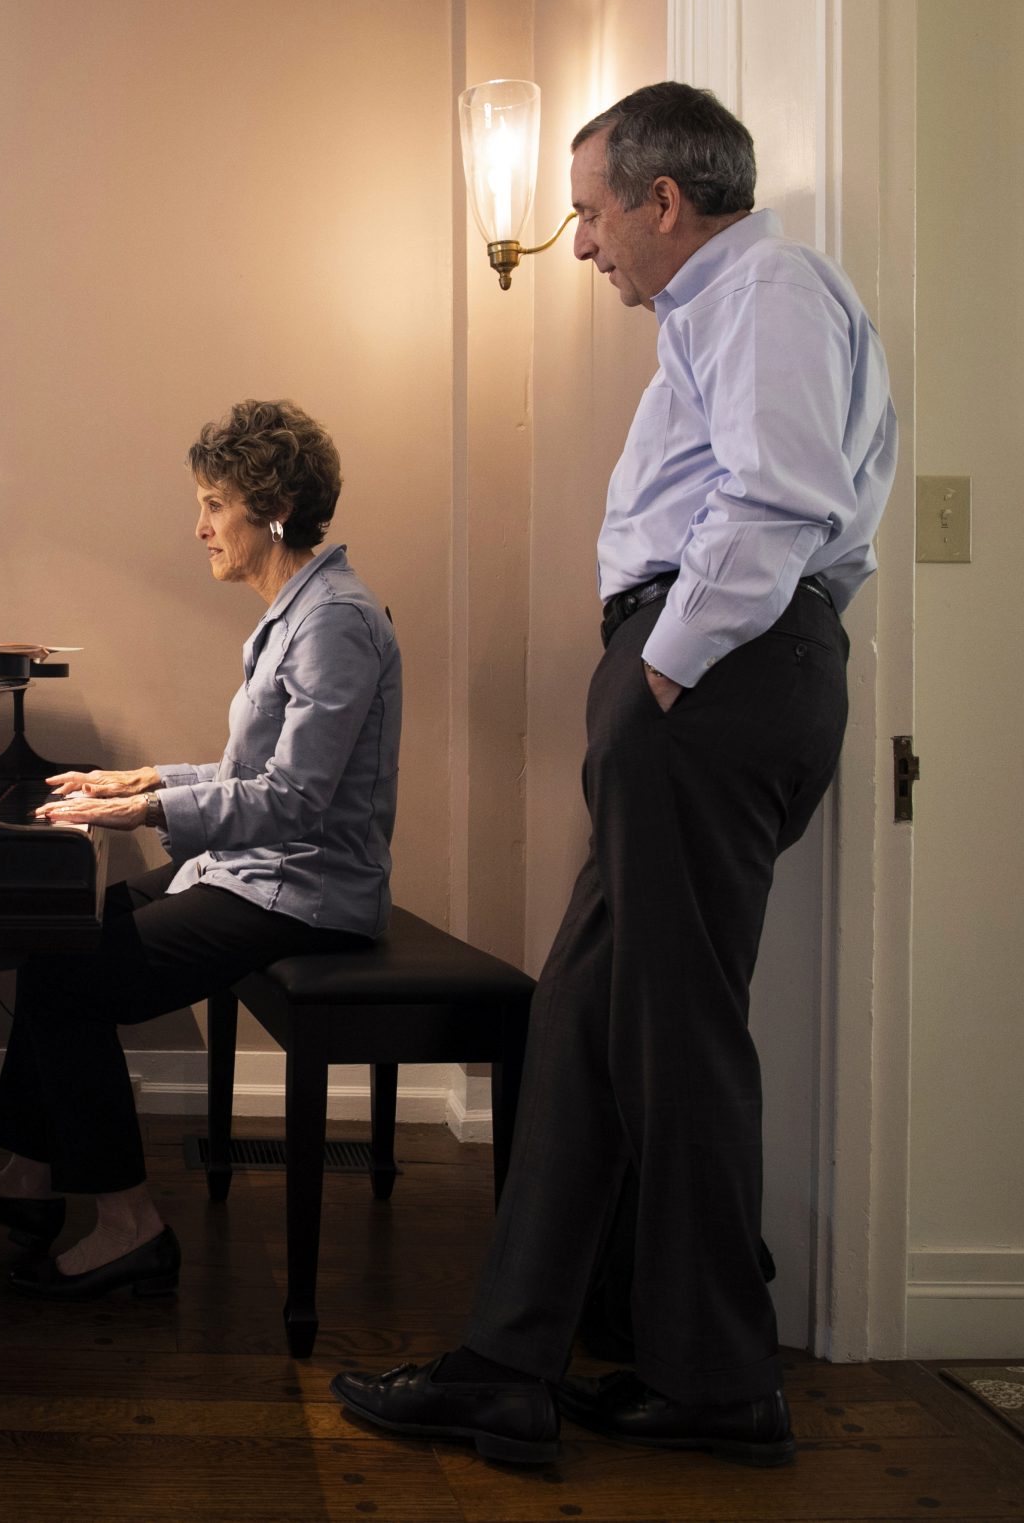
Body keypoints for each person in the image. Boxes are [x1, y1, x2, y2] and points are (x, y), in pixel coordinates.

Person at [332, 82, 898, 1467]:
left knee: (673, 1034)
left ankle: (717, 1374)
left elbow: (780, 496)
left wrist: (661, 664)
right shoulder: (724, 307)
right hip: (708, 679)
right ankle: (508, 1362)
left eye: (591, 211)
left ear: (664, 200)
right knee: (585, 1028)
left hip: (711, 679)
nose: (579, 243)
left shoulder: (761, 287)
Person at [0, 398, 403, 1300]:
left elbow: (292, 801)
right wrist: (134, 781)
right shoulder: (300, 609)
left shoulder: (333, 619)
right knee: (63, 930)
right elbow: (244, 770)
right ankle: (30, 1175)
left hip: (305, 894)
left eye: (215, 504)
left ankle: (132, 1224)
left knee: (70, 969)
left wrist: (145, 816)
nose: (200, 526)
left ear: (273, 509)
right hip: (262, 876)